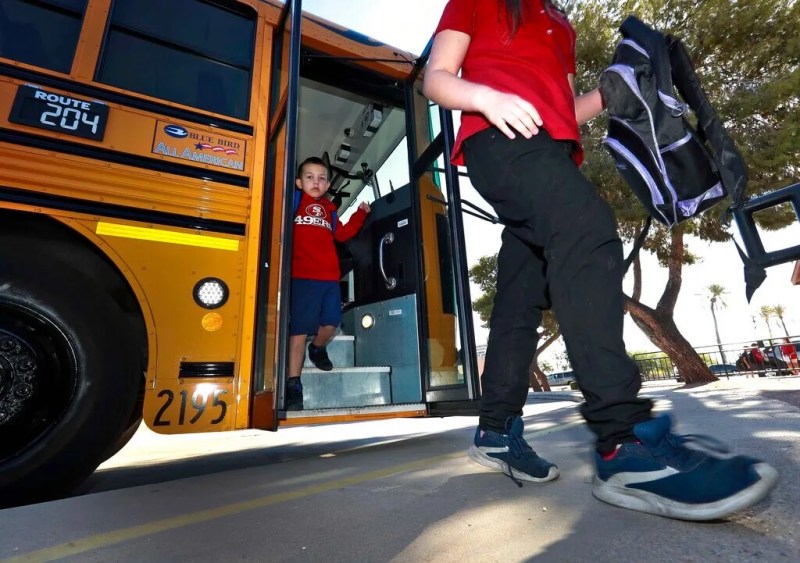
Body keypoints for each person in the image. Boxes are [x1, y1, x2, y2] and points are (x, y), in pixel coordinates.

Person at [423, 0, 778, 520]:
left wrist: (610, 92)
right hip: (495, 140)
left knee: (523, 293)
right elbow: (435, 78)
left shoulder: (559, 24)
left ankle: (496, 430)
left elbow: (565, 107)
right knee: (587, 231)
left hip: (551, 150)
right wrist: (487, 98)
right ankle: (624, 443)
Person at [286, 156, 370, 410]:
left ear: (328, 185)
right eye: (310, 177)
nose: (316, 182)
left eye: (322, 178)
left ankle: (318, 348)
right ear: (299, 182)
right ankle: (293, 385)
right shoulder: (294, 201)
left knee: (331, 322)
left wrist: (360, 214)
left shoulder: (330, 210)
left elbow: (343, 233)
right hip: (301, 278)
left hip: (329, 279)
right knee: (298, 331)